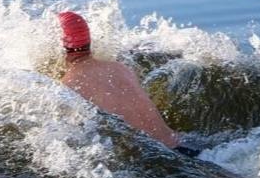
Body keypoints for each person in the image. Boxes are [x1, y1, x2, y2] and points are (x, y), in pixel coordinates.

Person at [58, 11, 199, 157]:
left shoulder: (70, 84)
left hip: (157, 155)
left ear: (61, 45)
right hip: (184, 144)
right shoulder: (120, 68)